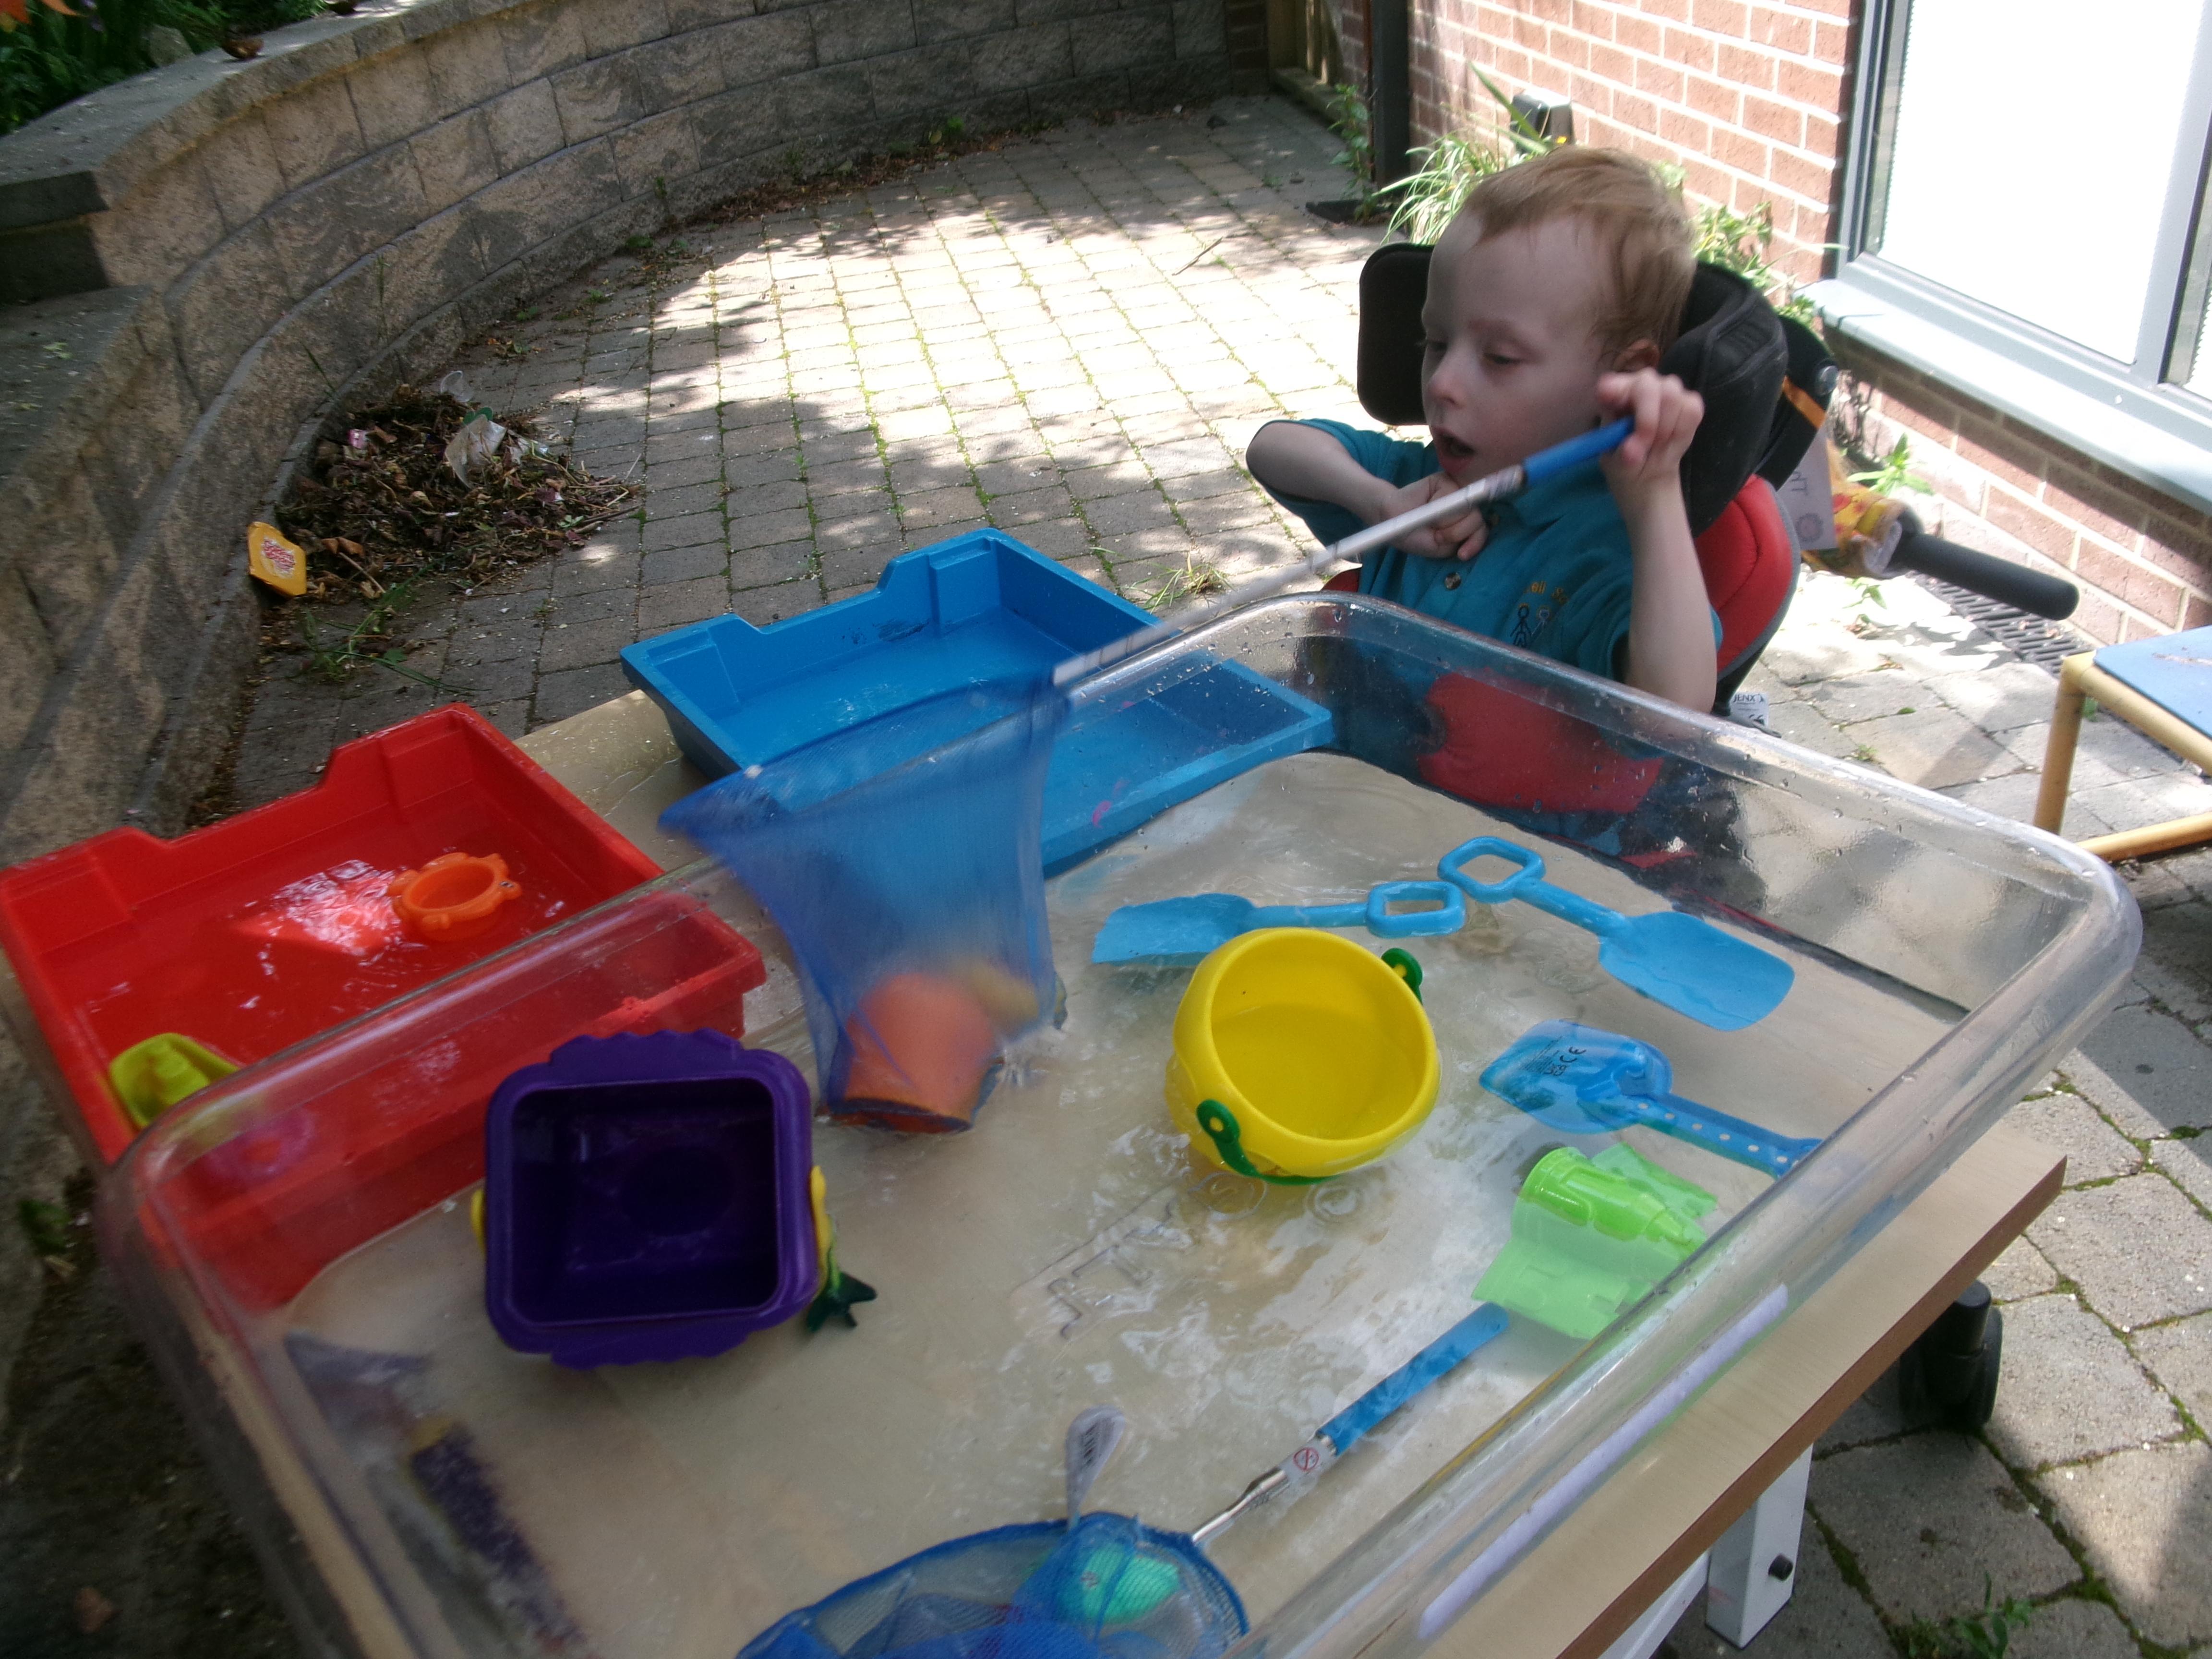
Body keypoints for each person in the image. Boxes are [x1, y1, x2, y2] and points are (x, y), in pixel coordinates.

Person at [1246, 146, 1716, 713]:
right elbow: (1272, 448)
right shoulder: (1422, 487)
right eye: (1436, 343)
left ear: (1621, 377)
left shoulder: (1606, 549)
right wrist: (1380, 504)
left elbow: (1676, 714)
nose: (1443, 382)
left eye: (1499, 358)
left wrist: (1654, 496)